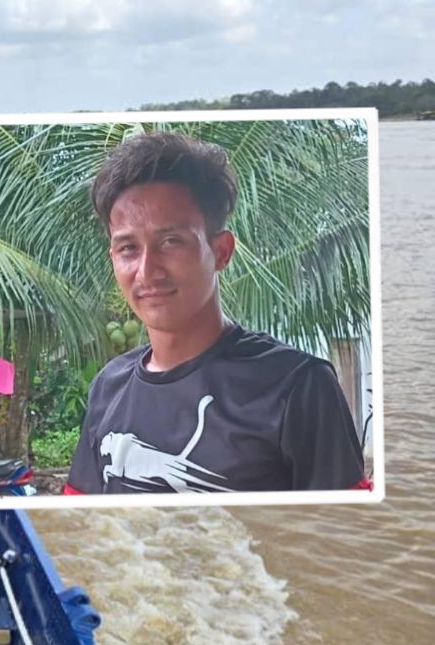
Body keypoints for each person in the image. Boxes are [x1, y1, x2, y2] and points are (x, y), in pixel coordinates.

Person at [65, 132, 370, 494]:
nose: (147, 271)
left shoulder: (298, 387)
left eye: (171, 242)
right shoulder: (108, 387)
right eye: (128, 248)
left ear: (222, 251)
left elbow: (346, 534)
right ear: (113, 259)